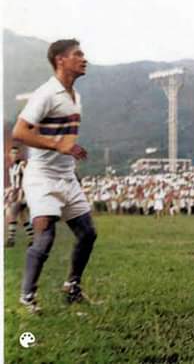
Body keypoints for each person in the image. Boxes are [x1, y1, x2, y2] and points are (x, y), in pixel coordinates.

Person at [12, 39, 98, 312]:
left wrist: (68, 151)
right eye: (78, 54)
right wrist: (58, 146)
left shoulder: (76, 96)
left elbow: (63, 138)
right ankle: (27, 297)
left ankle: (72, 287)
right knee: (45, 237)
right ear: (61, 60)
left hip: (66, 176)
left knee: (87, 234)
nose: (84, 59)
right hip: (42, 177)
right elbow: (20, 132)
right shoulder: (46, 94)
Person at [5, 146, 34, 247]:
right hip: (15, 193)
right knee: (23, 218)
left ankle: (10, 240)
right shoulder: (11, 168)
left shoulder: (21, 165)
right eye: (12, 153)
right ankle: (33, 239)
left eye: (16, 153)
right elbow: (13, 184)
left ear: (19, 155)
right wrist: (9, 191)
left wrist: (22, 194)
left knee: (12, 213)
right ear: (9, 155)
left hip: (22, 193)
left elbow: (27, 178)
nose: (14, 155)